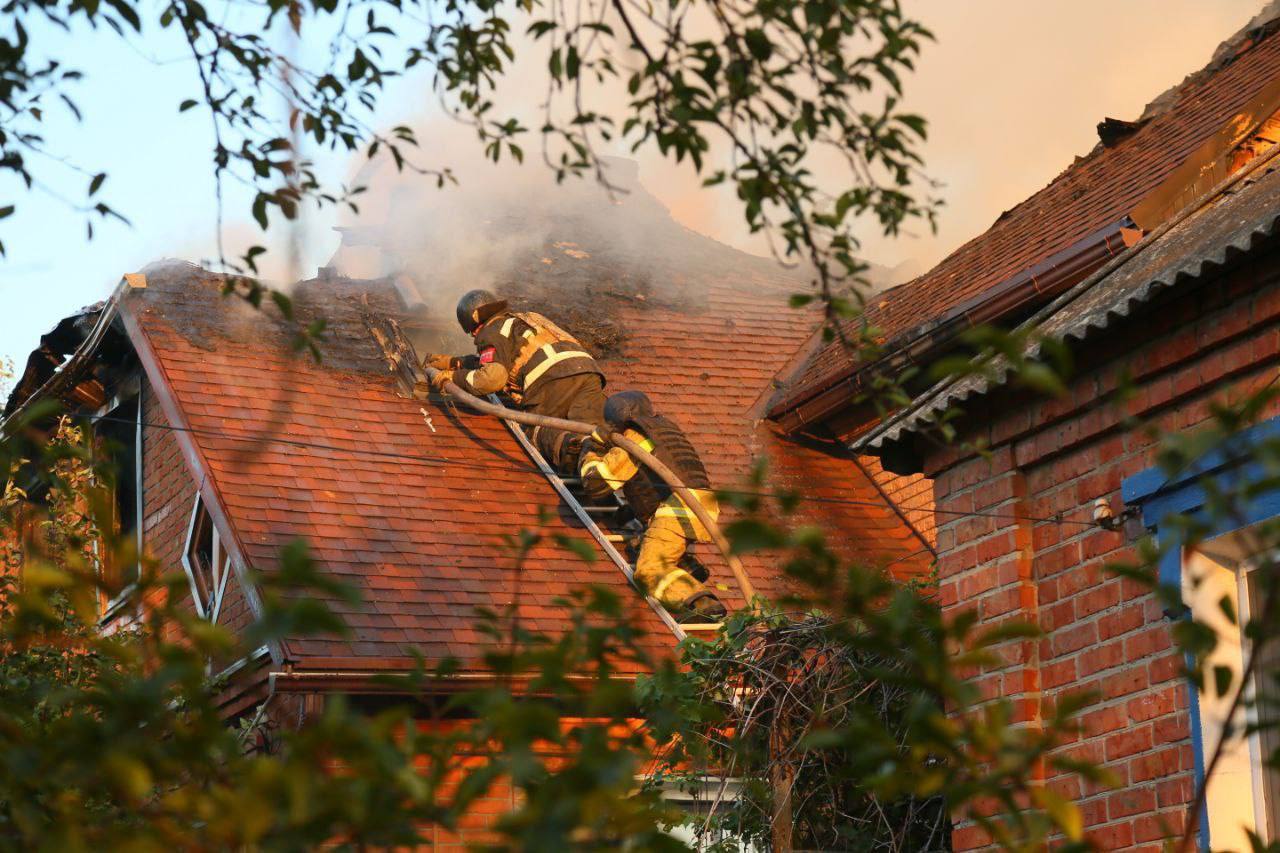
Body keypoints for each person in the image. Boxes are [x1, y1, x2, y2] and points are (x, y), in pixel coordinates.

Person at [579, 390, 727, 622]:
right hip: (697, 504)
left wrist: (593, 448)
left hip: (676, 509)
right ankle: (685, 566)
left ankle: (699, 602)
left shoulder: (633, 439)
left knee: (649, 569)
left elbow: (597, 483)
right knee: (647, 542)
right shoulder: (663, 429)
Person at [425, 289, 606, 472]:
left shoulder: (490, 330)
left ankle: (573, 451)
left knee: (538, 429)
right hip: (589, 373)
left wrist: (453, 377)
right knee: (592, 434)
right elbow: (504, 358)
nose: (473, 336)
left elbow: (491, 378)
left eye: (472, 331)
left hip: (551, 380)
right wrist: (456, 362)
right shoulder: (524, 320)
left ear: (475, 321)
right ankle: (599, 467)